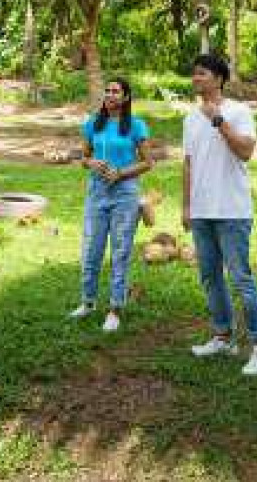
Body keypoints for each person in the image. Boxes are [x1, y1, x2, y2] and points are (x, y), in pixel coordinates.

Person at [183, 53, 257, 376]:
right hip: (202, 211)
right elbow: (189, 164)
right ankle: (223, 336)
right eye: (193, 74)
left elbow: (246, 152)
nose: (196, 79)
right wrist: (186, 206)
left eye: (202, 74)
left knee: (240, 278)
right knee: (210, 277)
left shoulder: (238, 111)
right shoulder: (189, 118)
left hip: (232, 211)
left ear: (219, 79)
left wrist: (218, 120)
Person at [69, 77, 153, 332]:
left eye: (116, 91)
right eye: (107, 90)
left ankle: (116, 308)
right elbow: (83, 157)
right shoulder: (93, 124)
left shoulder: (136, 126)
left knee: (120, 251)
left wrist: (121, 173)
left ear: (126, 97)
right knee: (91, 249)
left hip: (125, 194)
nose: (110, 94)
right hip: (97, 193)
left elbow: (147, 162)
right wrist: (92, 163)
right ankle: (88, 301)